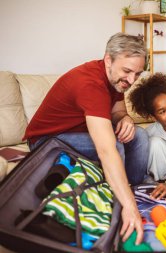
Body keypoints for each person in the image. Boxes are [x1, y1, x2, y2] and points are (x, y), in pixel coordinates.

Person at [23, 33, 150, 244]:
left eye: (137, 74)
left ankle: (132, 191)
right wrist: (130, 208)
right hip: (45, 141)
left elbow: (118, 111)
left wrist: (126, 118)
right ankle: (123, 206)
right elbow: (106, 150)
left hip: (76, 134)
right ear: (108, 59)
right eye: (127, 71)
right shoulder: (90, 84)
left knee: (141, 136)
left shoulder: (116, 79)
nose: (131, 80)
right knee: (116, 146)